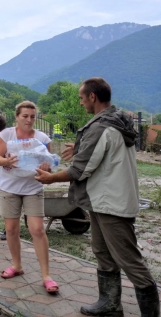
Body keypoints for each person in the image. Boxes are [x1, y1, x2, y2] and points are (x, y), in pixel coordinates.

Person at [35, 78, 159, 316]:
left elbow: (79, 170)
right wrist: (80, 149)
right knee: (102, 252)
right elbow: (102, 156)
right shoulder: (115, 121)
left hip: (113, 203)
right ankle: (109, 305)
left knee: (129, 260)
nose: (81, 103)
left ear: (92, 97)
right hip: (102, 200)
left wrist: (50, 178)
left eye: (82, 98)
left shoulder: (102, 127)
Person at [0, 100, 58, 294]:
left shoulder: (42, 137)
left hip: (33, 187)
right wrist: (6, 160)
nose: (29, 120)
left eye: (32, 116)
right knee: (11, 230)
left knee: (37, 230)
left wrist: (48, 166)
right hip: (9, 187)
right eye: (25, 116)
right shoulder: (6, 135)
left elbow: (49, 161)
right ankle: (17, 266)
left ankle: (46, 276)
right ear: (17, 117)